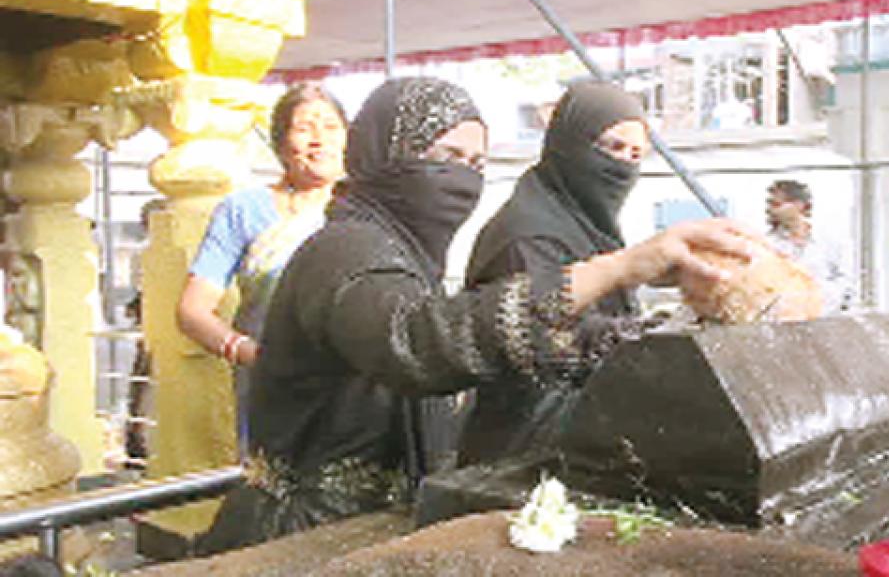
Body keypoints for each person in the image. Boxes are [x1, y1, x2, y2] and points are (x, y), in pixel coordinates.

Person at [196, 77, 754, 554]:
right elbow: (417, 343)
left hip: (371, 529)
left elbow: (517, 339)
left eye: (476, 163)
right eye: (443, 157)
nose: (462, 179)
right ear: (384, 154)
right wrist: (617, 269)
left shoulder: (399, 253)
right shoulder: (344, 250)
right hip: (303, 541)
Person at [462, 81, 649, 464]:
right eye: (613, 147)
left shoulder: (585, 227)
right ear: (570, 145)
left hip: (566, 444)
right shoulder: (526, 235)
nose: (624, 166)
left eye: (636, 154)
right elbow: (547, 347)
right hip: (519, 456)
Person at [176, 82, 348, 448]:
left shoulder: (366, 206)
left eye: (331, 128)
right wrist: (252, 355)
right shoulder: (243, 210)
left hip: (352, 383)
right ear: (281, 145)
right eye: (304, 128)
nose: (320, 140)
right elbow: (192, 312)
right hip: (270, 384)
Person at [765, 179, 854, 314]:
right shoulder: (768, 245)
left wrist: (822, 301)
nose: (769, 210)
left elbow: (846, 283)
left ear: (798, 205)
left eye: (776, 204)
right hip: (785, 321)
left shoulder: (830, 241)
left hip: (826, 320)